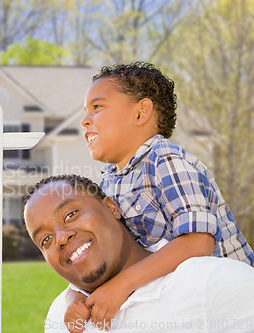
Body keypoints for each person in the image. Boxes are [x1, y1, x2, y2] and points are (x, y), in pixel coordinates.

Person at [58, 62, 254, 331]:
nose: (85, 120)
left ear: (141, 113)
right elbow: (109, 250)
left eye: (98, 107)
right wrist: (75, 296)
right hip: (172, 301)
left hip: (222, 306)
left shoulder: (166, 160)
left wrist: (123, 284)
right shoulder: (109, 180)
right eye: (86, 111)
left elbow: (198, 242)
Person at [22, 175, 254, 332]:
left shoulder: (211, 283)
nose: (61, 237)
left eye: (71, 214)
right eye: (46, 240)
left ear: (111, 207)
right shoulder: (60, 316)